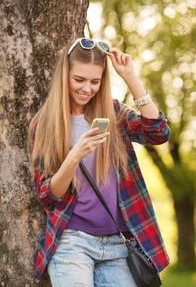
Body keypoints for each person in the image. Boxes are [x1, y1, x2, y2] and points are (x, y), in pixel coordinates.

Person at [28, 38, 170, 287]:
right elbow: (49, 196)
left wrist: (130, 78)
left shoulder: (113, 114)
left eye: (95, 81)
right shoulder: (44, 125)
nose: (87, 88)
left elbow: (158, 132)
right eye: (79, 80)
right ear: (65, 76)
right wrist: (75, 156)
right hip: (72, 242)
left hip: (118, 243)